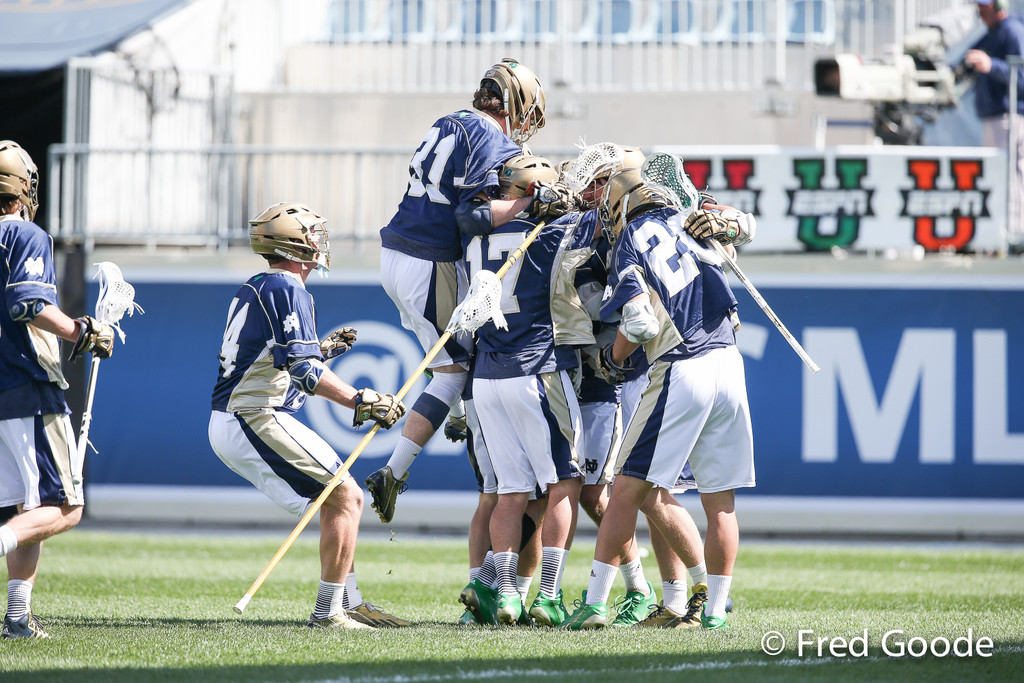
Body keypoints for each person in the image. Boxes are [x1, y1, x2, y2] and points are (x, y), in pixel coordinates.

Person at [369, 58, 570, 524]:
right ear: (516, 103)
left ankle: (458, 420)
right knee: (455, 371)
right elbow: (469, 217)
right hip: (428, 260)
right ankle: (396, 471)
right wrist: (529, 202)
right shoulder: (488, 135)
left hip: (398, 252)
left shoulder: (449, 121)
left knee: (450, 362)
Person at [561, 169, 755, 631]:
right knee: (720, 501)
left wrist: (612, 355)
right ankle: (712, 614)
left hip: (682, 364)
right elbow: (744, 226)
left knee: (626, 489)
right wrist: (730, 227)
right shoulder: (692, 220)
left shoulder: (630, 237)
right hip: (729, 362)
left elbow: (641, 324)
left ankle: (595, 602)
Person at [208, 201, 410, 630]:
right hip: (251, 416)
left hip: (247, 415)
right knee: (346, 496)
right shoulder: (288, 288)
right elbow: (303, 373)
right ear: (295, 242)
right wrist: (361, 399)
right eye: (313, 234)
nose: (321, 242)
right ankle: (329, 612)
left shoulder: (262, 284)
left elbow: (276, 357)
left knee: (337, 498)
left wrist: (320, 349)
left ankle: (348, 602)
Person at [464, 154, 590, 626]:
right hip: (536, 367)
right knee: (563, 481)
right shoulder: (555, 229)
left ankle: (506, 595)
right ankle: (548, 594)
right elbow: (601, 233)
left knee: (510, 492)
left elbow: (468, 213)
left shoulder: (476, 228)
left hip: (487, 375)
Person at [0, 140, 116, 639]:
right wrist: (80, 330)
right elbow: (27, 303)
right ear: (22, 187)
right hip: (25, 383)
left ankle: (18, 616)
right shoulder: (25, 233)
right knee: (66, 507)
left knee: (28, 507)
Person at [964, 0, 1024, 247]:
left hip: (1011, 118)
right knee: (998, 176)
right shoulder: (990, 34)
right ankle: (1003, 233)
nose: (980, 12)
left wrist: (992, 66)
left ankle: (1015, 234)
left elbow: (1021, 75)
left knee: (1011, 176)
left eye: (984, 7)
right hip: (996, 118)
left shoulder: (1011, 30)